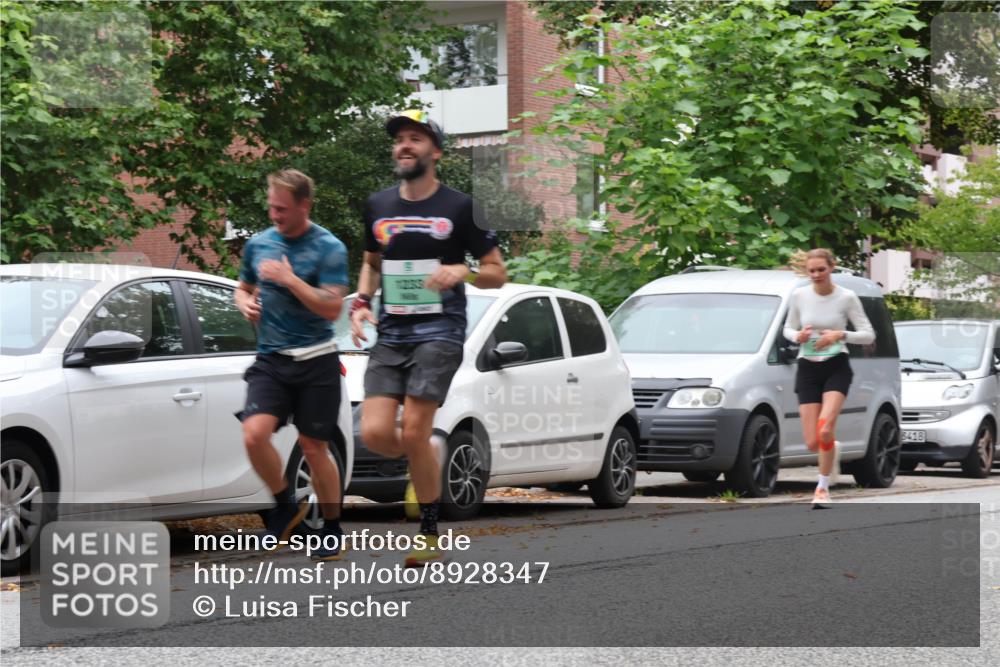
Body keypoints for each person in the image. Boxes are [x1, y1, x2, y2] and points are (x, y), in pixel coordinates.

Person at [350, 109, 507, 567]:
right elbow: (372, 263)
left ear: (434, 151)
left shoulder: (460, 207)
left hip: (440, 330)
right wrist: (360, 304)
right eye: (399, 138)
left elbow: (498, 272)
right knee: (377, 433)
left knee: (415, 428)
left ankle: (429, 532)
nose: (404, 145)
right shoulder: (378, 206)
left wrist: (463, 270)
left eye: (415, 138)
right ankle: (426, 455)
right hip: (393, 330)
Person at [235, 169, 350, 561]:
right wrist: (244, 303)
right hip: (271, 358)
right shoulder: (259, 244)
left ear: (304, 205)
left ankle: (331, 529)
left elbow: (333, 307)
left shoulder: (328, 247)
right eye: (270, 206)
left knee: (314, 448)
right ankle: (285, 503)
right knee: (254, 434)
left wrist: (290, 279)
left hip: (316, 358)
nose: (274, 214)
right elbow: (242, 287)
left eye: (282, 208)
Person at [783, 248, 875, 508]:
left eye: (821, 270)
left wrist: (840, 335)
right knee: (814, 441)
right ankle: (830, 447)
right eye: (811, 271)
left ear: (831, 268)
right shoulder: (800, 296)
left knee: (825, 427)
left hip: (836, 366)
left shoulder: (846, 297)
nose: (816, 275)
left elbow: (868, 335)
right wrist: (797, 336)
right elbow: (788, 328)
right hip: (808, 368)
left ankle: (822, 489)